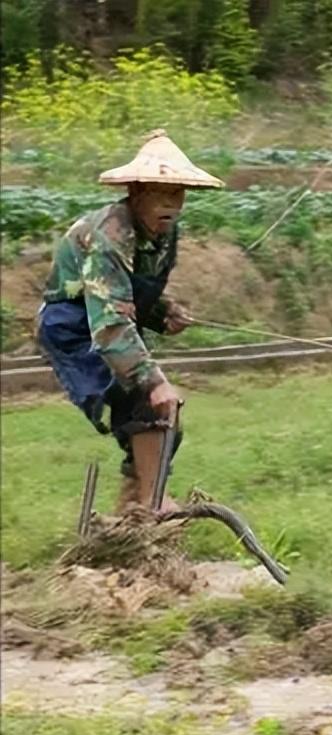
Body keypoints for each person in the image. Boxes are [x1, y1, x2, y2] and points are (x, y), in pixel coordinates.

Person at [34, 129, 224, 514]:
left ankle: (132, 512)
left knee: (165, 421)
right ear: (137, 191)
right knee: (146, 403)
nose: (172, 204)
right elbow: (109, 324)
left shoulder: (165, 234)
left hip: (111, 319)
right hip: (76, 325)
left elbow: (131, 289)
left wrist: (162, 311)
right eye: (161, 193)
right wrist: (154, 380)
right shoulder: (109, 235)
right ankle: (153, 505)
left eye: (178, 194)